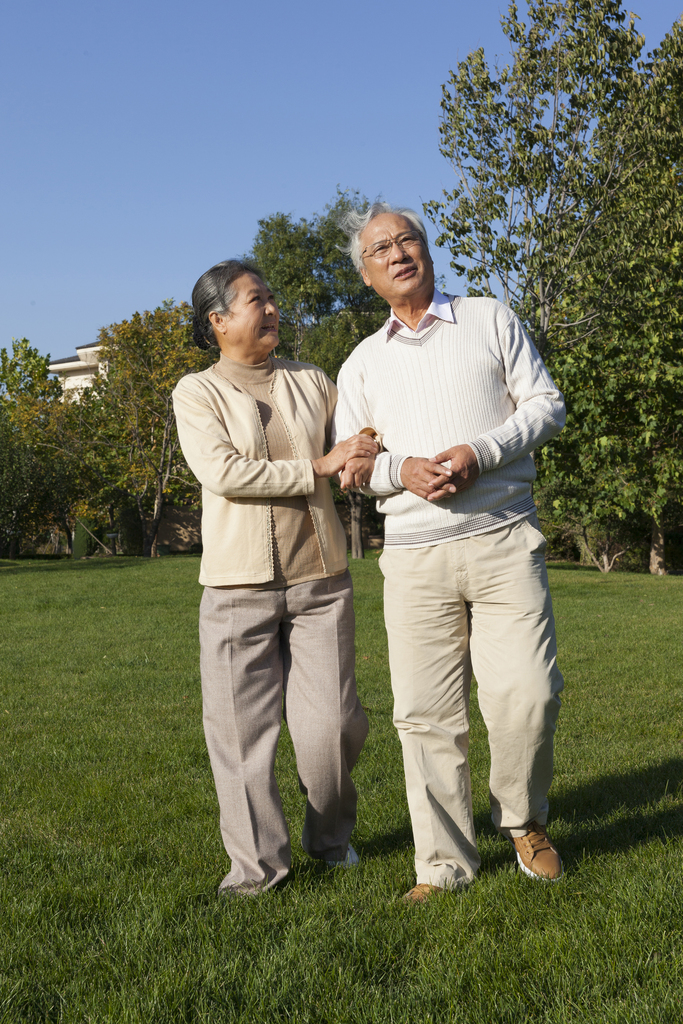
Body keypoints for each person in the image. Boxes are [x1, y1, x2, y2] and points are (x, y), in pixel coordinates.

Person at [333, 203, 566, 902]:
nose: (399, 251)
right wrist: (398, 469)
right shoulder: (361, 364)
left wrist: (479, 450)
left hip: (502, 541)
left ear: (427, 251)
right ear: (368, 277)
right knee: (425, 715)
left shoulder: (489, 318)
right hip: (412, 558)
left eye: (408, 239)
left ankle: (522, 820)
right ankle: (441, 866)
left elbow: (545, 405)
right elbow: (354, 465)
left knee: (527, 695)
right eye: (381, 248)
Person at [172, 259, 376, 896]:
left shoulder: (312, 380)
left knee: (335, 726)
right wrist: (319, 466)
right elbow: (225, 472)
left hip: (322, 583)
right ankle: (258, 870)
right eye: (256, 301)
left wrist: (366, 446)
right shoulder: (196, 392)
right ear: (219, 320)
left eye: (271, 300)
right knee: (241, 736)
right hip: (237, 591)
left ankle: (331, 839)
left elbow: (358, 434)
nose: (272, 310)